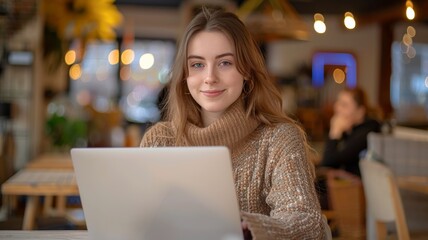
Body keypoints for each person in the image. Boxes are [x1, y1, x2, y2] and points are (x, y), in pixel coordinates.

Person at [140, 7, 324, 239]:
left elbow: (306, 223)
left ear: (246, 70)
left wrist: (246, 227)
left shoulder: (278, 139)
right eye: (197, 64)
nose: (210, 77)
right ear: (184, 75)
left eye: (225, 63)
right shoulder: (159, 140)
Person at [320, 87, 381, 177]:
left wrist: (334, 133)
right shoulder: (349, 130)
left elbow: (329, 162)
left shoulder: (367, 133)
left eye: (344, 105)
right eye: (338, 103)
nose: (337, 109)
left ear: (360, 111)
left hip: (355, 188)